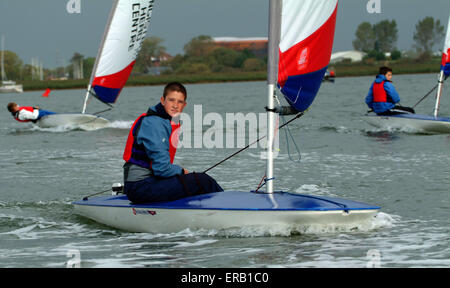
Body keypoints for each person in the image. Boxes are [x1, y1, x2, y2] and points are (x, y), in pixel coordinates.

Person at [123, 82, 223, 204]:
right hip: (139, 187)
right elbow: (162, 169)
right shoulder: (154, 123)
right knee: (202, 180)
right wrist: (181, 171)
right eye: (171, 100)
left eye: (180, 102)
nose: (175, 105)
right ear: (162, 100)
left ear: (184, 105)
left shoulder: (165, 120)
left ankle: (215, 209)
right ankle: (227, 207)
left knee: (197, 181)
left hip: (152, 181)